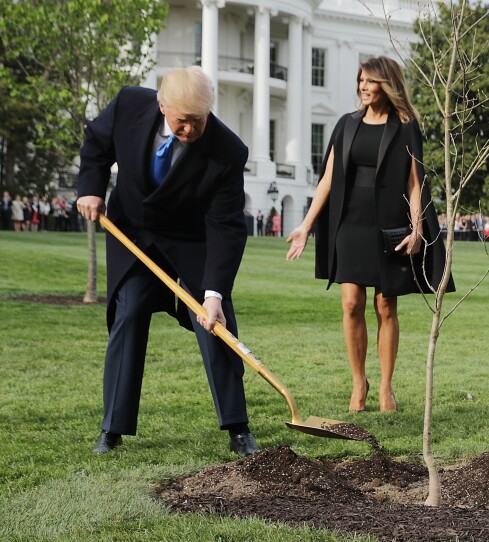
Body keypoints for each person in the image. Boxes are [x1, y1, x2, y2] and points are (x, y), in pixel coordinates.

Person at [76, 66, 258, 457]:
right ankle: (113, 429)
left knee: (215, 323)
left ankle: (238, 427)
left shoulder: (228, 151)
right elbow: (96, 143)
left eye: (198, 121)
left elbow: (226, 225)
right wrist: (91, 189)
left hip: (192, 240)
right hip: (134, 233)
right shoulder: (129, 105)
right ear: (162, 106)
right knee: (130, 312)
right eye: (181, 121)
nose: (190, 130)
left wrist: (213, 294)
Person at [285, 56, 450, 412]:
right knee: (350, 304)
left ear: (386, 85)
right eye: (360, 79)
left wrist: (418, 228)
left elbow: (414, 181)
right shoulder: (346, 124)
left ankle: (386, 388)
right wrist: (305, 225)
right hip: (349, 224)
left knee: (385, 304)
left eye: (370, 81)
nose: (362, 86)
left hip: (388, 223)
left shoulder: (405, 126)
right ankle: (359, 383)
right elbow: (328, 178)